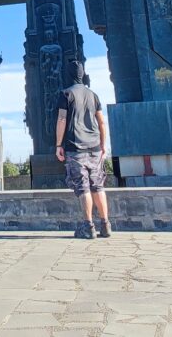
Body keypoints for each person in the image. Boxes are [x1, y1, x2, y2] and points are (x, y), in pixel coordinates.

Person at [55, 60, 110, 238]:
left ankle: (88, 226)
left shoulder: (66, 94)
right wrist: (103, 145)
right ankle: (105, 225)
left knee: (83, 187)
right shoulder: (93, 95)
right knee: (98, 186)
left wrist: (58, 145)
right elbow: (101, 122)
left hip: (76, 147)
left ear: (68, 74)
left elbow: (62, 119)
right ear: (82, 74)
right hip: (95, 147)